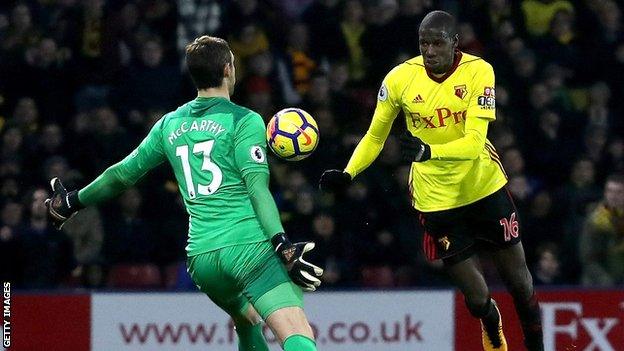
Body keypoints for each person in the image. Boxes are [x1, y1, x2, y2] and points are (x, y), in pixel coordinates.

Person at [45, 35, 323, 351]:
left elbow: (121, 175)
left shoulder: (169, 124)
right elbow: (258, 191)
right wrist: (283, 245)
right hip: (247, 247)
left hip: (202, 258)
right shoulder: (245, 121)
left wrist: (72, 200)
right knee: (297, 333)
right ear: (229, 69)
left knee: (246, 319)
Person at [319, 11, 543, 351]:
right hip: (436, 199)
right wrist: (349, 172)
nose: (430, 50)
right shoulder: (399, 79)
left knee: (520, 282)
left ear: (455, 44)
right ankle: (489, 320)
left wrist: (429, 150)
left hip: (483, 186)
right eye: (424, 43)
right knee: (476, 297)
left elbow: (473, 142)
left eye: (437, 43)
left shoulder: (479, 71)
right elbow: (375, 136)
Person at [579, 174, 624, 286]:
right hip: (598, 281)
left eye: (619, 192)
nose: (614, 196)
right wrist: (607, 282)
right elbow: (587, 256)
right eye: (610, 191)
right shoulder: (594, 218)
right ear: (605, 192)